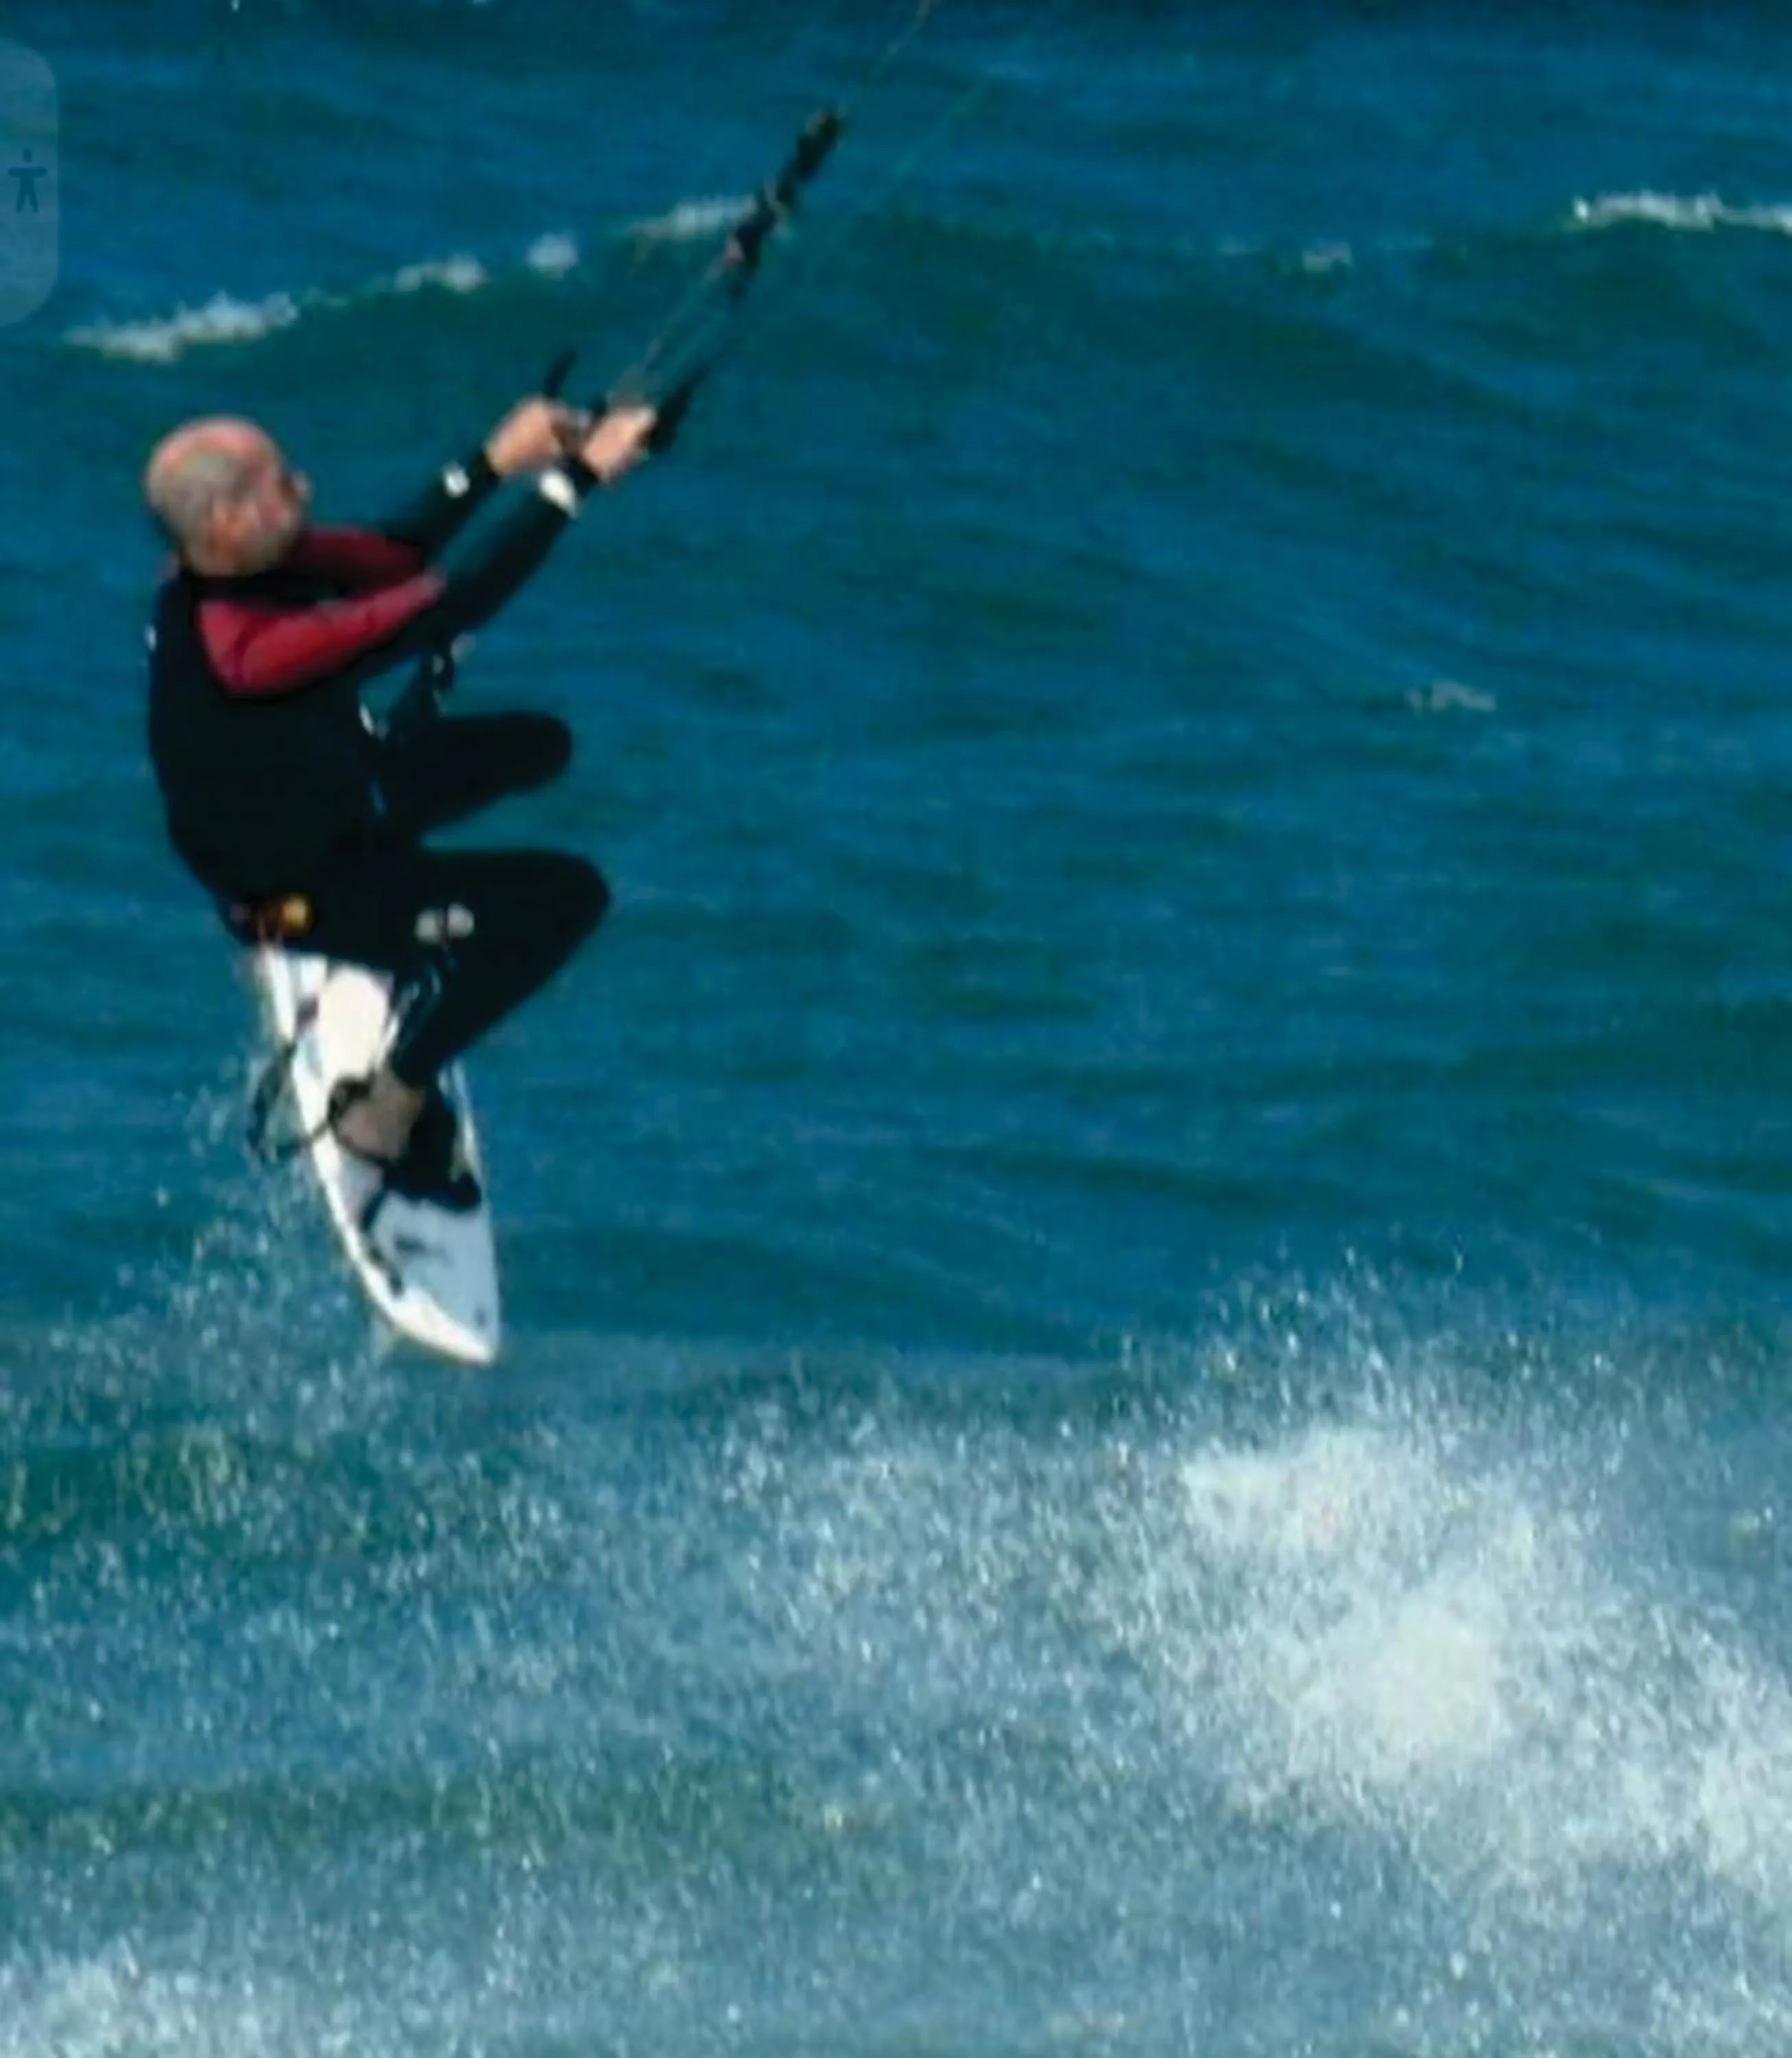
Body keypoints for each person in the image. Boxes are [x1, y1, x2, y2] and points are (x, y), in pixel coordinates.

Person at [143, 391, 659, 1207]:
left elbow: (394, 557)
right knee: (566, 899)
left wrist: (495, 460)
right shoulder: (251, 651)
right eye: (281, 483)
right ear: (223, 525)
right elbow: (454, 600)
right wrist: (577, 480)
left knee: (537, 747)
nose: (305, 487)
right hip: (294, 891)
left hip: (338, 797)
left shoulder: (236, 564)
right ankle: (386, 1109)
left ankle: (416, 921)